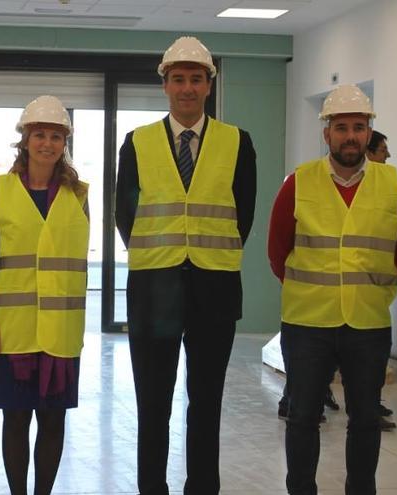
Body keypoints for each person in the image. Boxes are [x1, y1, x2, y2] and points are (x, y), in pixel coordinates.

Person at [115, 36, 257, 494]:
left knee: (207, 402)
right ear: (165, 85)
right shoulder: (136, 143)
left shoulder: (238, 143)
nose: (187, 88)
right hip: (154, 289)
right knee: (152, 403)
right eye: (179, 79)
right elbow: (125, 212)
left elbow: (244, 214)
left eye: (196, 79)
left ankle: (203, 487)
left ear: (209, 85)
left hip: (214, 289)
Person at [267, 84, 397, 494]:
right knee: (302, 416)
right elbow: (278, 250)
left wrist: (376, 291)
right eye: (342, 127)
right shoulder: (298, 183)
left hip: (367, 321)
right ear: (326, 133)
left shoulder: (390, 184)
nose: (351, 136)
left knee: (365, 418)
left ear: (369, 133)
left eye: (359, 127)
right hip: (307, 322)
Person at [0, 95, 90, 495]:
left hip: (60, 330)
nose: (47, 143)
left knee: (54, 420)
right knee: (16, 419)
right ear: (24, 141)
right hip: (13, 329)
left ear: (65, 143)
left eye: (56, 136)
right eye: (39, 135)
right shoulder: (1, 190)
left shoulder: (79, 194)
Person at [365, 129, 397, 432]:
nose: (387, 154)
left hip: (371, 307)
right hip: (316, 306)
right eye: (383, 149)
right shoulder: (310, 181)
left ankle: (370, 406)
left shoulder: (390, 187)